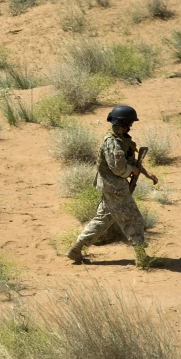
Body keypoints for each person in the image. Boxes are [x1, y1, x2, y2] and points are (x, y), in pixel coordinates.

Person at [66, 105, 158, 267]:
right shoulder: (112, 143)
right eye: (129, 123)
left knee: (104, 218)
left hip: (112, 185)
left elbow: (129, 162)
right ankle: (142, 257)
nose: (131, 126)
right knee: (133, 219)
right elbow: (119, 168)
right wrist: (132, 170)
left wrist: (145, 173)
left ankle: (76, 249)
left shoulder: (121, 140)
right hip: (114, 187)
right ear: (123, 123)